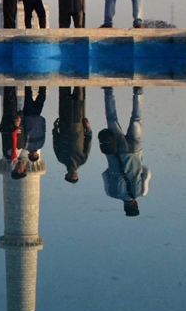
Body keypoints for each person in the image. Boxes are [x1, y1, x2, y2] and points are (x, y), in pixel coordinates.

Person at [100, 86, 148, 216]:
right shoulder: (111, 193)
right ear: (124, 208)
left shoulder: (141, 192)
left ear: (136, 205)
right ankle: (108, 90)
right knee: (112, 119)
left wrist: (136, 168)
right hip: (116, 151)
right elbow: (105, 174)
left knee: (137, 119)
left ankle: (138, 92)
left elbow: (147, 172)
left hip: (135, 152)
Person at [52, 86, 91, 184]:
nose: (73, 175)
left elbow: (55, 141)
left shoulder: (61, 158)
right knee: (79, 88)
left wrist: (55, 128)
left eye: (71, 176)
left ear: (66, 174)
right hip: (78, 122)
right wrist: (88, 128)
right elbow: (88, 142)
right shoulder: (82, 159)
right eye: (75, 176)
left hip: (64, 122)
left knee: (63, 88)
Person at [22, 86, 47, 160]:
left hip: (28, 117)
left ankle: (27, 81)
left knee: (28, 97)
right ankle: (43, 84)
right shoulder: (40, 145)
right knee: (41, 98)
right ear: (37, 155)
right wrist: (42, 121)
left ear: (29, 155)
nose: (34, 154)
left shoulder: (24, 146)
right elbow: (43, 132)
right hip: (37, 117)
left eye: (32, 155)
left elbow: (22, 132)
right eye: (35, 155)